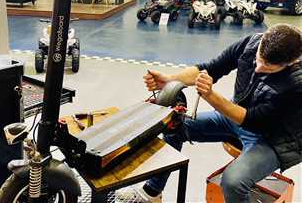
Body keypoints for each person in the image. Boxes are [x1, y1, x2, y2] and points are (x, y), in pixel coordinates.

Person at [116, 24, 302, 203]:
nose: (258, 67)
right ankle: (152, 192)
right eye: (259, 58)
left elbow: (252, 120)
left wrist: (210, 96)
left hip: (272, 137)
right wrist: (169, 80)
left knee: (233, 182)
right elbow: (211, 68)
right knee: (173, 125)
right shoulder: (252, 43)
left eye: (268, 67)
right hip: (234, 116)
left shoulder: (296, 84)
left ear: (292, 62)